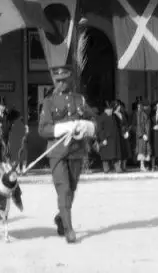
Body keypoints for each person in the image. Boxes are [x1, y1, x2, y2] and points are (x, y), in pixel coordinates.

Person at [37, 64, 96, 244]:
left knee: (72, 189)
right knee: (64, 189)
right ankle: (69, 230)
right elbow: (42, 129)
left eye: (64, 80)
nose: (61, 84)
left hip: (76, 151)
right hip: (57, 152)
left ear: (70, 79)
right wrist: (63, 128)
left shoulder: (80, 100)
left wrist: (86, 127)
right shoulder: (49, 102)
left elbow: (93, 119)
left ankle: (61, 218)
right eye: (58, 80)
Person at [96, 101, 121, 173]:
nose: (111, 111)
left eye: (112, 109)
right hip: (106, 139)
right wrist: (103, 139)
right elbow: (99, 130)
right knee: (105, 157)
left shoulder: (113, 116)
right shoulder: (101, 117)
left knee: (115, 155)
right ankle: (106, 168)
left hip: (114, 139)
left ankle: (117, 168)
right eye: (110, 110)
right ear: (106, 110)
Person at [135, 99, 152, 172]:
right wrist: (143, 134)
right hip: (143, 135)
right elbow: (140, 125)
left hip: (146, 134)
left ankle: (143, 165)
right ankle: (142, 166)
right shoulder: (140, 114)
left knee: (145, 150)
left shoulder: (144, 113)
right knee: (142, 150)